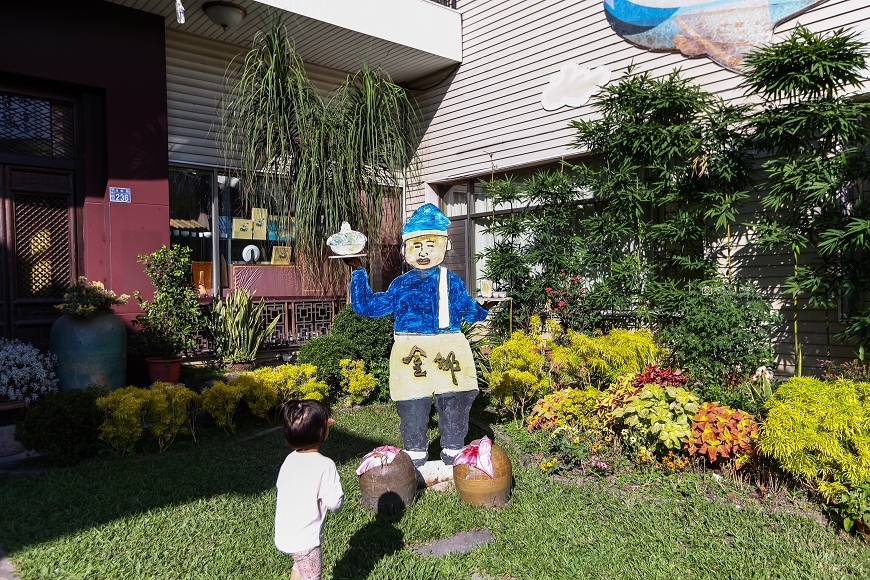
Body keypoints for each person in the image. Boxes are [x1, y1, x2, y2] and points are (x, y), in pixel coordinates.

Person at [348, 203, 491, 468]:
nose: (423, 252)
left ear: (445, 245)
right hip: (410, 352)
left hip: (449, 351)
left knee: (454, 402)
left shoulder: (452, 281)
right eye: (416, 246)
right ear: (405, 250)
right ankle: (415, 453)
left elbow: (469, 310)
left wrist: (484, 309)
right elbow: (368, 306)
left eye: (430, 244)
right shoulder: (401, 284)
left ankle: (452, 451)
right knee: (412, 404)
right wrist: (358, 271)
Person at [274, 400, 344, 580]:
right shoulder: (325, 465)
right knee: (312, 576)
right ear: (323, 432)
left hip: (285, 534)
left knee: (300, 567)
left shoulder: (289, 459)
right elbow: (335, 503)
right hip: (306, 541)